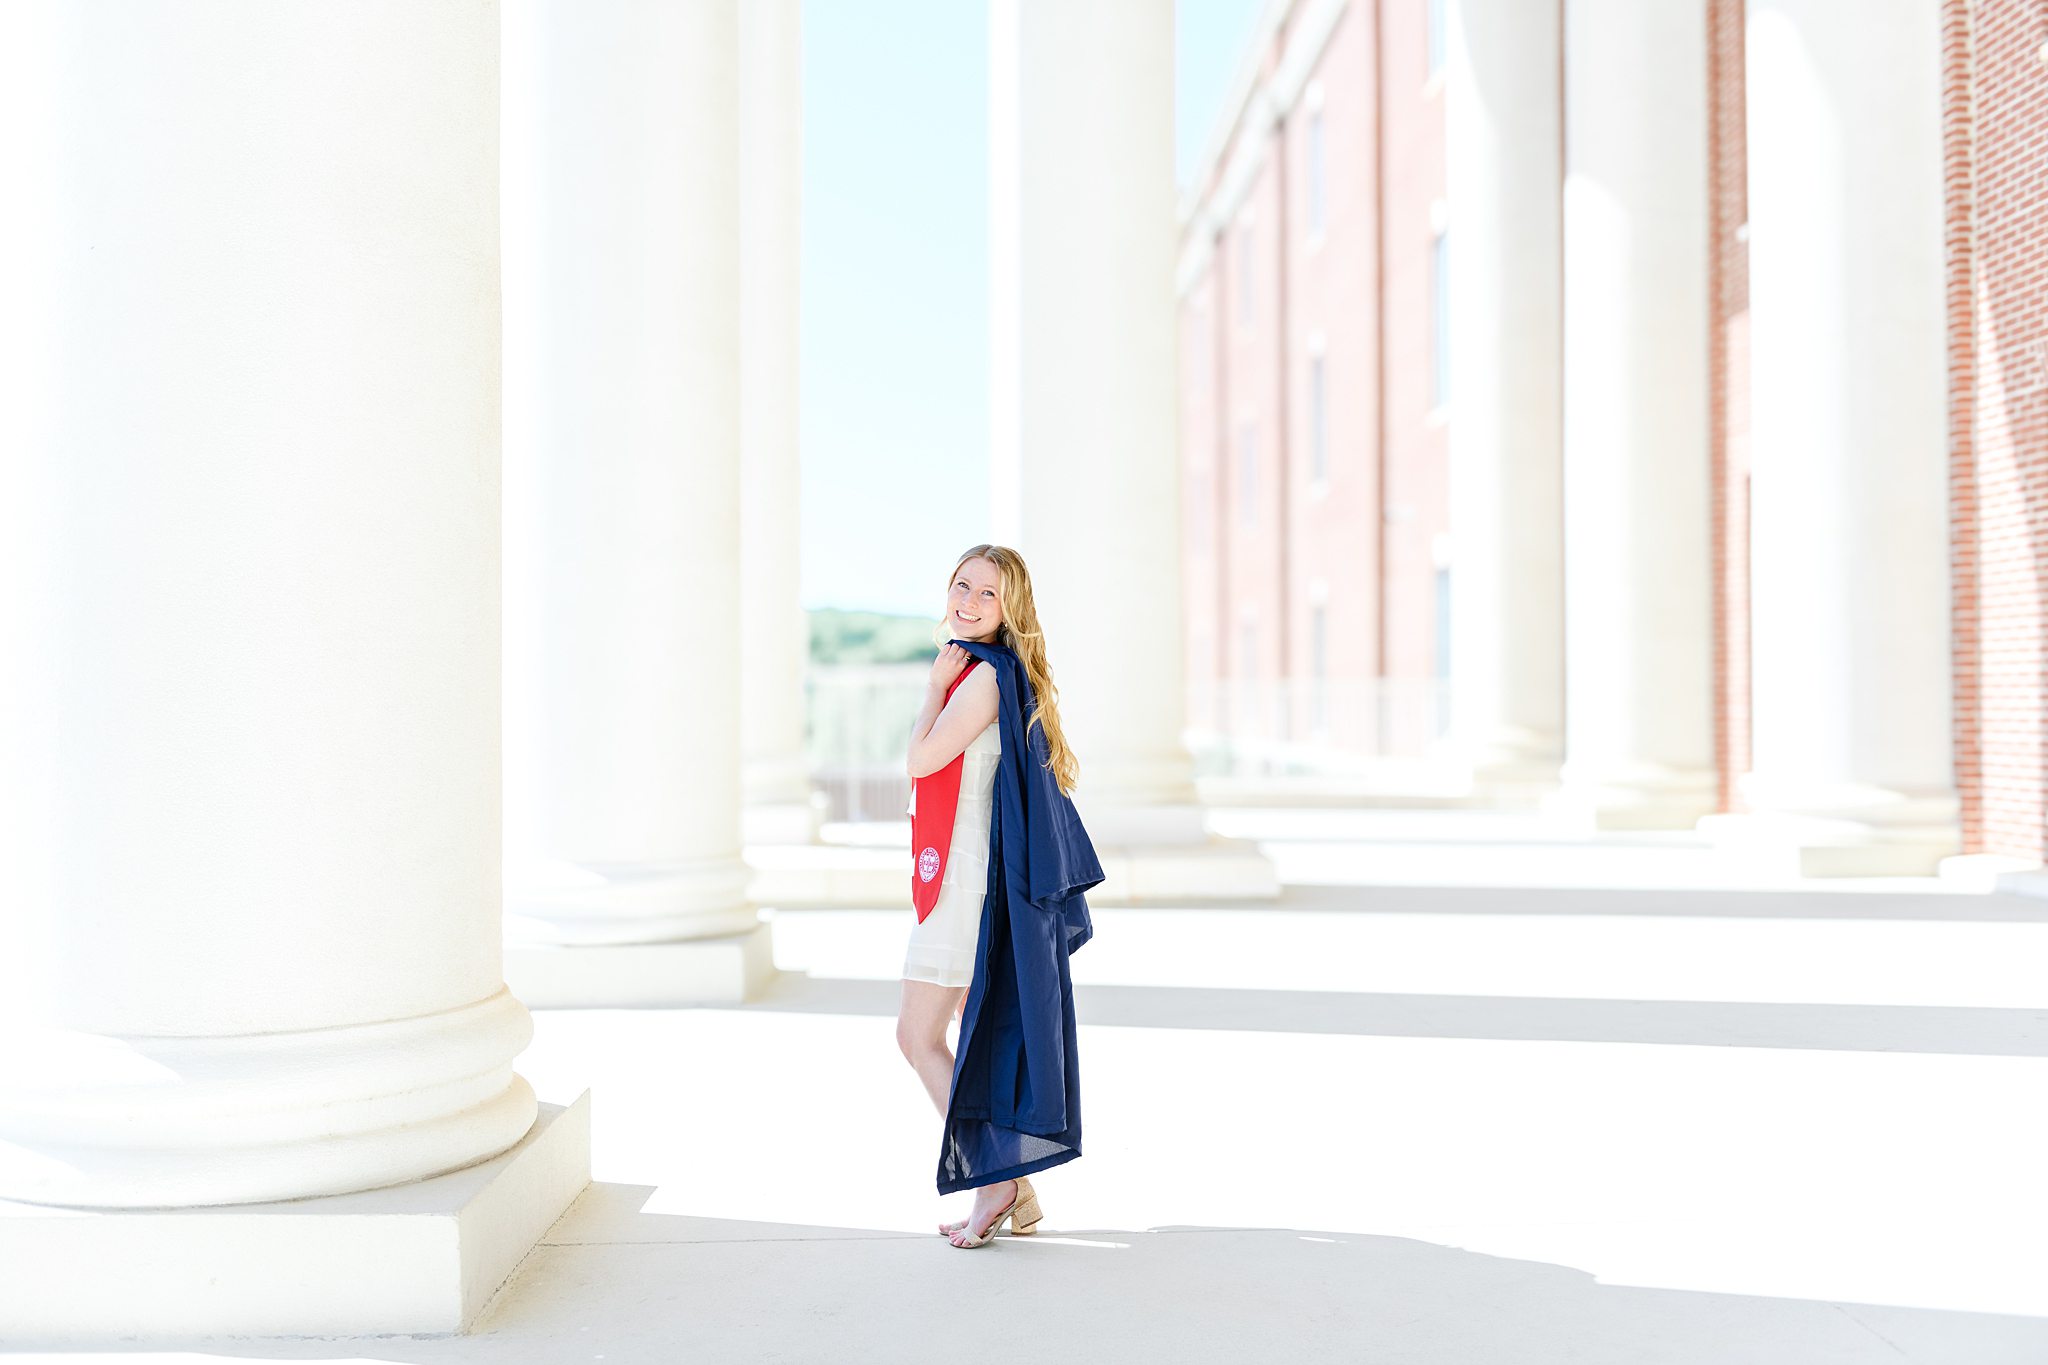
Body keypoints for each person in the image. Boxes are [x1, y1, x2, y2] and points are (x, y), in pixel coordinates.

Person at [895, 543, 1099, 1248]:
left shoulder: (979, 675)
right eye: (962, 585)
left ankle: (998, 1178)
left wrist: (930, 690)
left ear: (1011, 607)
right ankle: (1010, 1182)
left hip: (963, 885)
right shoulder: (997, 671)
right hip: (970, 878)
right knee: (948, 1039)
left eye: (989, 593)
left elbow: (922, 760)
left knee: (917, 1037)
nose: (970, 601)